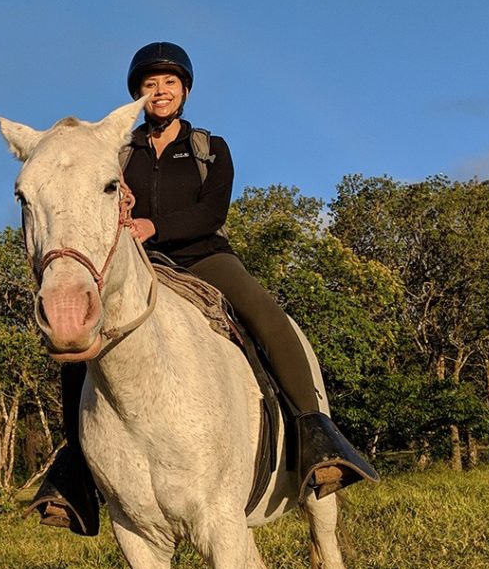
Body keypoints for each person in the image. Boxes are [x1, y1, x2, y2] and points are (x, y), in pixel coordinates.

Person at [31, 42, 377, 536]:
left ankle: (314, 434)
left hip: (202, 255)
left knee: (268, 317)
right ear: (138, 95)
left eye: (169, 83)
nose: (160, 91)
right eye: (150, 85)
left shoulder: (209, 149)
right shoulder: (118, 151)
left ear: (184, 90)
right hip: (138, 265)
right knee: (81, 346)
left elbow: (211, 214)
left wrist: (154, 227)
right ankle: (75, 473)